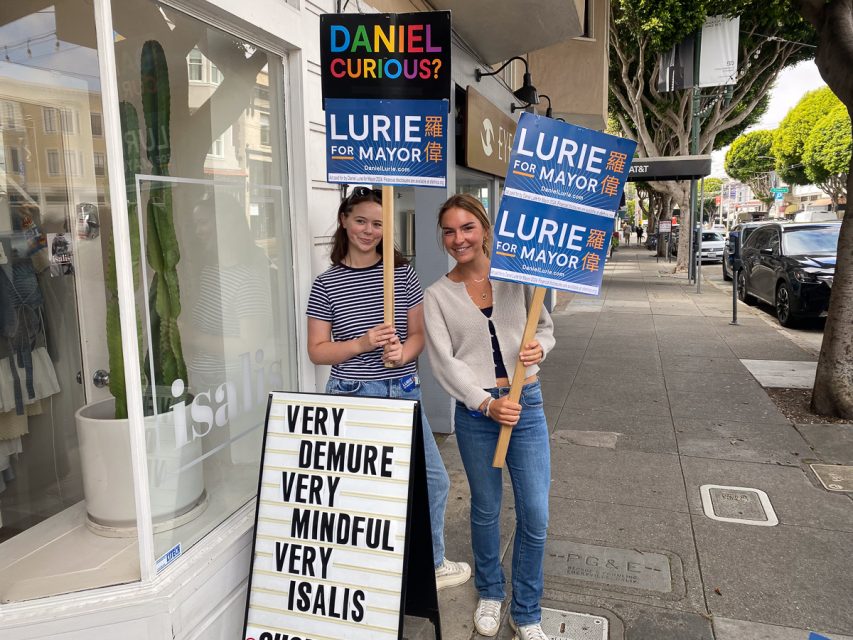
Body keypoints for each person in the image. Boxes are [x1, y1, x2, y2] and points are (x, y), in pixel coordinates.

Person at [305, 186, 470, 590]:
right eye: (361, 220)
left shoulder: (401, 274)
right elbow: (317, 350)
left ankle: (429, 564)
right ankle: (358, 572)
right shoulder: (326, 284)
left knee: (432, 480)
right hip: (351, 395)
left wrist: (401, 353)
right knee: (359, 492)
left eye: (378, 224)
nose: (369, 230)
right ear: (344, 220)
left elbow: (418, 335)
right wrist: (362, 344)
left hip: (401, 389)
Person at [424, 194, 555, 640]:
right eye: (448, 231)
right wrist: (484, 402)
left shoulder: (516, 279)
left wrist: (540, 349)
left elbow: (545, 330)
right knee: (485, 510)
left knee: (535, 514)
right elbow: (445, 363)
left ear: (483, 228)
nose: (458, 239)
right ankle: (491, 593)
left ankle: (527, 609)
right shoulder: (437, 296)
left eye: (466, 228)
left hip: (527, 406)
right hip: (477, 415)